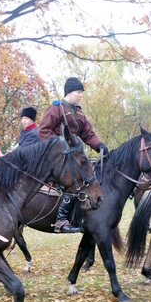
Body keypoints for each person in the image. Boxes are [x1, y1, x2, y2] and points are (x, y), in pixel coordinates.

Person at [39, 77, 107, 233]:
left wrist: (99, 145)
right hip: (58, 155)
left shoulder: (79, 113)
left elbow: (88, 134)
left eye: (81, 92)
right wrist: (61, 144)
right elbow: (44, 130)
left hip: (74, 154)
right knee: (71, 180)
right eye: (78, 92)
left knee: (87, 179)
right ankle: (61, 220)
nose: (80, 95)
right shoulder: (56, 108)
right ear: (69, 92)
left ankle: (81, 216)